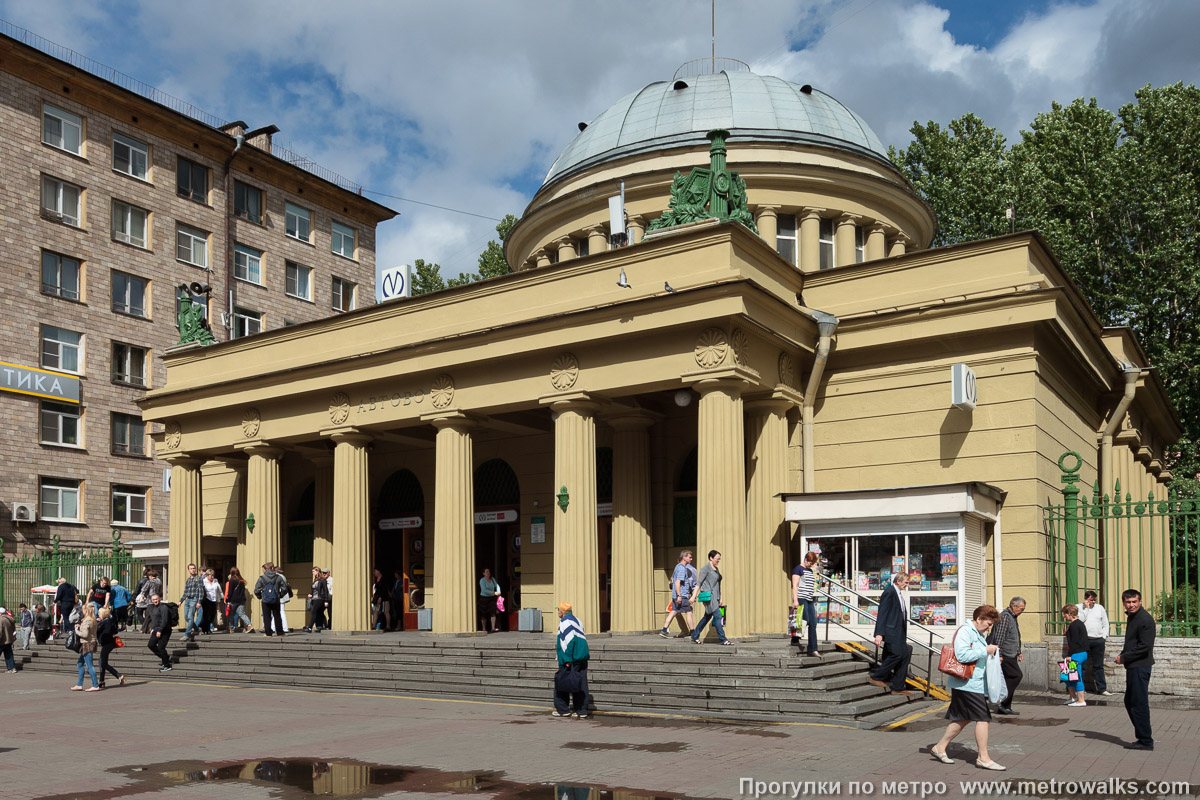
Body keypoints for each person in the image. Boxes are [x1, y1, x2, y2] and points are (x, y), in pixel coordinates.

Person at [930, 604, 1005, 770]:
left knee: (963, 718)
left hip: (969, 683)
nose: (989, 626)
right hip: (968, 683)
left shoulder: (976, 632)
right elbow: (962, 655)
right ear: (979, 619)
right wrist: (986, 650)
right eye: (988, 623)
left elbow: (975, 655)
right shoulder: (965, 631)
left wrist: (990, 655)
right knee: (983, 719)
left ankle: (940, 747)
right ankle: (983, 758)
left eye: (991, 623)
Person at [1116, 588, 1155, 750]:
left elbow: (1144, 646)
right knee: (1130, 701)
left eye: (1134, 602)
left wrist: (1124, 657)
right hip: (1133, 666)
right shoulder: (1133, 617)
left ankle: (1146, 740)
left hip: (1140, 666)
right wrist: (1123, 655)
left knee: (1138, 703)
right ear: (1124, 603)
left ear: (1140, 602)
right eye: (1128, 602)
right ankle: (1143, 737)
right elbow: (1132, 643)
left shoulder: (1145, 619)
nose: (1131, 605)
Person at [869, 573, 913, 695]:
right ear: (898, 581)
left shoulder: (898, 593)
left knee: (905, 653)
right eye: (906, 582)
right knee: (897, 654)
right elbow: (882, 613)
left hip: (899, 632)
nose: (907, 585)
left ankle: (898, 686)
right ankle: (877, 677)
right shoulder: (889, 592)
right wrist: (879, 633)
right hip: (891, 631)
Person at [988, 597, 1025, 715]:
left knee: (1009, 678)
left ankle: (1005, 706)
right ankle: (1002, 701)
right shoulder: (1005, 617)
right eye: (1021, 609)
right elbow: (999, 636)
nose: (1022, 611)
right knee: (1016, 676)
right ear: (1013, 606)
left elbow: (1014, 636)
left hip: (1011, 653)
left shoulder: (1012, 617)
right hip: (1005, 654)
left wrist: (1018, 651)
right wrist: (999, 654)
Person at [553, 601, 590, 718]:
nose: (558, 612)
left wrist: (567, 660)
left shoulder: (565, 622)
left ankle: (563, 709)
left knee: (562, 682)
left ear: (562, 612)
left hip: (571, 659)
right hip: (582, 657)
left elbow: (567, 642)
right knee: (580, 683)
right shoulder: (577, 621)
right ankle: (582, 710)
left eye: (558, 610)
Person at [690, 550, 733, 645]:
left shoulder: (716, 569)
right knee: (718, 615)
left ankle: (694, 636)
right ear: (711, 558)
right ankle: (723, 639)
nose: (718, 560)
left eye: (719, 559)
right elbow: (699, 583)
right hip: (709, 597)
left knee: (707, 616)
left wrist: (720, 597)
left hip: (715, 596)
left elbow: (718, 584)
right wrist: (693, 596)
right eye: (717, 559)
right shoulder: (705, 569)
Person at [1078, 589, 1112, 696]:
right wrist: (1086, 609)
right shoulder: (1079, 608)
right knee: (1082, 666)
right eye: (1091, 600)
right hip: (1085, 640)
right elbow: (1080, 620)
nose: (1093, 602)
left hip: (1098, 640)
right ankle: (1081, 688)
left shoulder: (1100, 608)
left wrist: (1104, 636)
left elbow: (1105, 623)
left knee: (1098, 666)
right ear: (1085, 599)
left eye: (1094, 600)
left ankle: (1102, 689)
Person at [791, 552, 821, 657]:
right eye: (810, 563)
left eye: (812, 563)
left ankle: (813, 649)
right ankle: (795, 638)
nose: (811, 565)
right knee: (805, 620)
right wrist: (795, 600)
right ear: (805, 559)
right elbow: (795, 586)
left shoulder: (809, 570)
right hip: (801, 598)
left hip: (809, 599)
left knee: (813, 623)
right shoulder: (798, 569)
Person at [660, 550, 695, 638]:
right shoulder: (682, 569)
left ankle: (664, 630)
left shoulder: (677, 567)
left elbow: (672, 578)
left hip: (676, 595)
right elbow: (677, 582)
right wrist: (680, 595)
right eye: (689, 557)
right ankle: (693, 631)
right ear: (684, 557)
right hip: (682, 595)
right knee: (689, 612)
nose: (691, 559)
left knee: (673, 611)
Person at [1061, 603, 1089, 707]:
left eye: (1065, 614)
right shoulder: (1079, 623)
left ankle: (1081, 700)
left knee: (1076, 677)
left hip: (1076, 654)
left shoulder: (1074, 625)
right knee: (1070, 676)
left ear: (1070, 613)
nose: (1064, 616)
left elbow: (1074, 642)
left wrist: (1070, 655)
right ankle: (1072, 697)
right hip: (1081, 653)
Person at [72, 603, 101, 691]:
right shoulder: (92, 619)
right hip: (91, 642)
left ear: (86, 610)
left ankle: (95, 685)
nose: (82, 611)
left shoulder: (87, 620)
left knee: (89, 665)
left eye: (83, 610)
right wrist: (80, 626)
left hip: (87, 644)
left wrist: (77, 631)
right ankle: (79, 684)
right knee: (80, 663)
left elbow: (85, 634)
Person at [253, 562, 288, 637]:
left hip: (265, 600)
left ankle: (268, 633)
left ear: (265, 569)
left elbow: (256, 590)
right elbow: (284, 589)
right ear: (272, 568)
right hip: (276, 599)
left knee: (267, 616)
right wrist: (280, 595)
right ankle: (280, 632)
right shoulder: (278, 577)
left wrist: (260, 596)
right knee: (277, 616)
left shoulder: (261, 578)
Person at [95, 607, 125, 688]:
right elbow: (115, 631)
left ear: (102, 614)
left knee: (103, 663)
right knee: (102, 661)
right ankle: (102, 681)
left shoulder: (104, 622)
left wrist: (98, 623)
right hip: (109, 643)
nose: (98, 614)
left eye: (99, 613)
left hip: (107, 643)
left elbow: (96, 630)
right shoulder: (110, 621)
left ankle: (118, 675)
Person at [146, 593, 173, 672]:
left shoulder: (163, 607)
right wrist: (153, 629)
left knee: (161, 647)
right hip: (156, 629)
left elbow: (164, 620)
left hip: (165, 630)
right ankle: (166, 658)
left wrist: (160, 630)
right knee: (151, 645)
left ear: (160, 599)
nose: (155, 601)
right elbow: (155, 620)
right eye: (153, 599)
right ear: (151, 600)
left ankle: (167, 666)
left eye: (156, 599)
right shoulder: (155, 608)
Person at [180, 563, 205, 641]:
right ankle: (197, 629)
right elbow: (185, 591)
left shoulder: (199, 578)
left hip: (194, 599)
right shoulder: (188, 579)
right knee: (186, 617)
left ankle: (187, 634)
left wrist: (199, 602)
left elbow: (201, 591)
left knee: (191, 617)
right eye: (191, 568)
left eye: (194, 568)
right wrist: (181, 601)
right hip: (188, 599)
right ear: (188, 570)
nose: (193, 570)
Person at [224, 566, 253, 633]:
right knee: (242, 614)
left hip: (233, 600)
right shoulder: (241, 581)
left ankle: (230, 628)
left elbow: (230, 591)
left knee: (231, 614)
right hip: (241, 600)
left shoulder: (232, 580)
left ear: (232, 573)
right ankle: (249, 625)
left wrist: (228, 601)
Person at [304, 566, 330, 633]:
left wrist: (326, 601)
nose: (312, 572)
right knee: (320, 613)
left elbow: (325, 591)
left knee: (313, 612)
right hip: (314, 598)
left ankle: (310, 627)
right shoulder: (315, 580)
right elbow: (313, 590)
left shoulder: (323, 580)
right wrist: (310, 594)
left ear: (317, 571)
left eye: (313, 571)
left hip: (320, 598)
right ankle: (326, 626)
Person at [139, 569, 163, 633]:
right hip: (157, 599)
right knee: (149, 615)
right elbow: (161, 591)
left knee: (153, 615)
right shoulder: (159, 582)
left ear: (150, 576)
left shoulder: (150, 582)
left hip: (150, 600)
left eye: (149, 575)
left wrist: (142, 596)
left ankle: (153, 628)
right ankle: (143, 629)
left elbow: (144, 589)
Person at [479, 568, 501, 633]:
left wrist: (498, 592)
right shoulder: (482, 580)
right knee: (483, 613)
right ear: (483, 573)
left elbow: (497, 586)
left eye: (489, 571)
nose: (488, 573)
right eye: (486, 572)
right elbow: (484, 590)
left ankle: (493, 628)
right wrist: (494, 593)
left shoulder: (492, 579)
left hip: (491, 598)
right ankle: (484, 628)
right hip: (484, 598)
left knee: (493, 612)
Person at [201, 568, 222, 633]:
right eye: (211, 575)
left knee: (213, 615)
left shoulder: (215, 581)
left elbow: (218, 591)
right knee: (207, 615)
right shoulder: (204, 581)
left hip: (214, 600)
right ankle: (206, 629)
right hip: (206, 600)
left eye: (213, 575)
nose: (212, 577)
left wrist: (218, 600)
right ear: (207, 575)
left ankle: (205, 626)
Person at [0, 608, 15, 673]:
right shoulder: (10, 619)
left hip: (2, 641)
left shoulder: (1, 620)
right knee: (9, 655)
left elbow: (0, 631)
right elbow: (13, 630)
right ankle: (12, 668)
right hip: (9, 640)